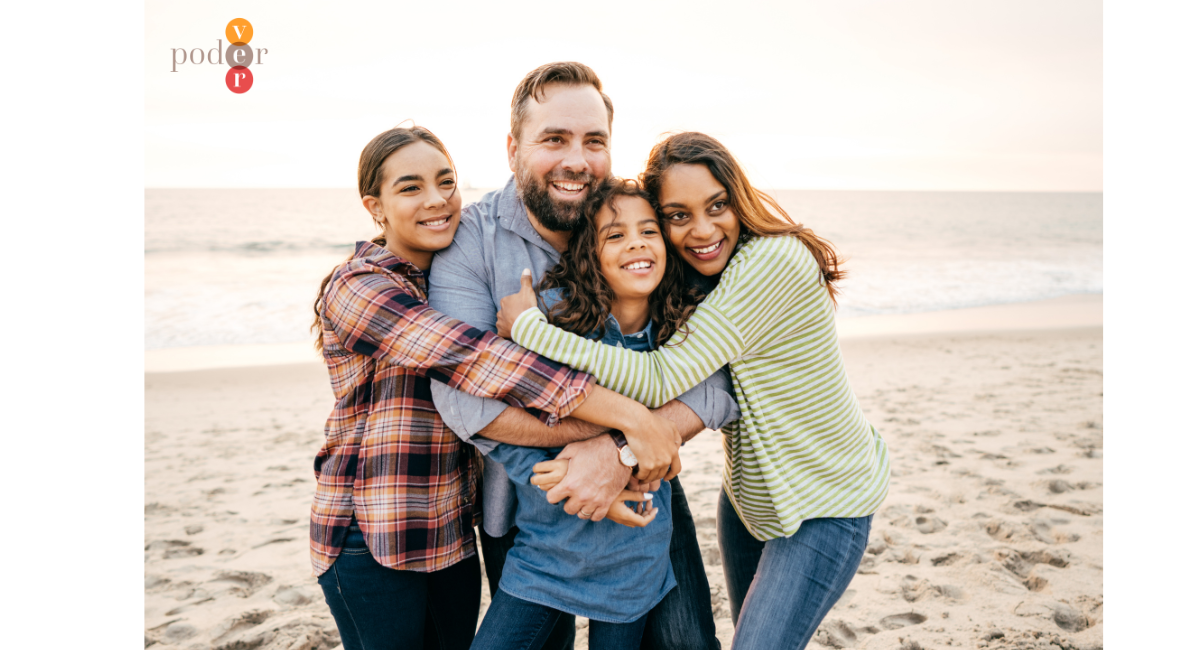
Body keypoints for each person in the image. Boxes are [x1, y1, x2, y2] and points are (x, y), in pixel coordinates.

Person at [497, 132, 892, 650]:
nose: (702, 229)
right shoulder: (706, 274)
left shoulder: (771, 262)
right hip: (751, 502)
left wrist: (531, 330)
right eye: (678, 216)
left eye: (717, 206)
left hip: (827, 500)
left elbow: (660, 377)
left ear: (738, 198)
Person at [308, 126, 681, 650]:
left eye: (446, 182)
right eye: (411, 187)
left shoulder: (447, 274)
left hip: (451, 527)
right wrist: (633, 419)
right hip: (372, 531)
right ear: (376, 207)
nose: (437, 200)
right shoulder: (359, 286)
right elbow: (475, 359)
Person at [428, 63, 736, 650]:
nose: (577, 160)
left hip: (643, 490)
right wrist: (626, 426)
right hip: (530, 505)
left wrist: (620, 453)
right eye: (554, 139)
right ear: (513, 148)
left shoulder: (639, 220)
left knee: (687, 643)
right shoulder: (472, 241)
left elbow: (717, 375)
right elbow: (464, 400)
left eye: (594, 141)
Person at [472, 178, 696, 650]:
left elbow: (672, 440)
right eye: (615, 235)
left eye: (648, 230)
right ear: (589, 254)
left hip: (634, 553)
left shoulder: (681, 335)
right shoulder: (553, 318)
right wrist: (566, 484)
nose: (635, 242)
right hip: (545, 552)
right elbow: (506, 429)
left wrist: (627, 469)